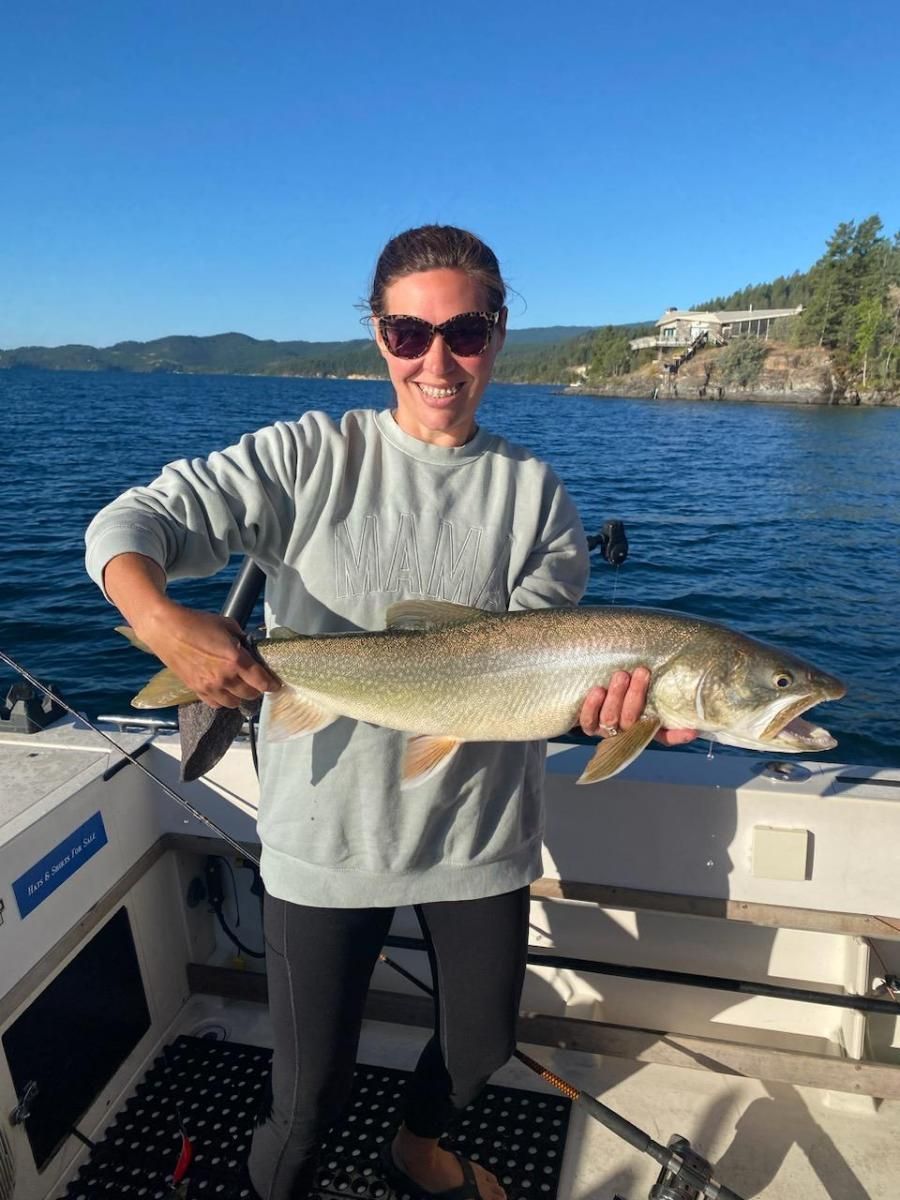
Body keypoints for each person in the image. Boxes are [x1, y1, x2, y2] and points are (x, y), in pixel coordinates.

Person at [85, 225, 695, 1200]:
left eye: (465, 331)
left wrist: (609, 713)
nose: (438, 360)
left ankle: (416, 1150)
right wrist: (163, 624)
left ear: (498, 334)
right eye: (411, 334)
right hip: (324, 841)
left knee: (479, 1049)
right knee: (306, 1103)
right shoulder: (305, 457)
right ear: (379, 336)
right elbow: (131, 522)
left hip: (476, 839)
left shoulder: (537, 499)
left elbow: (524, 676)